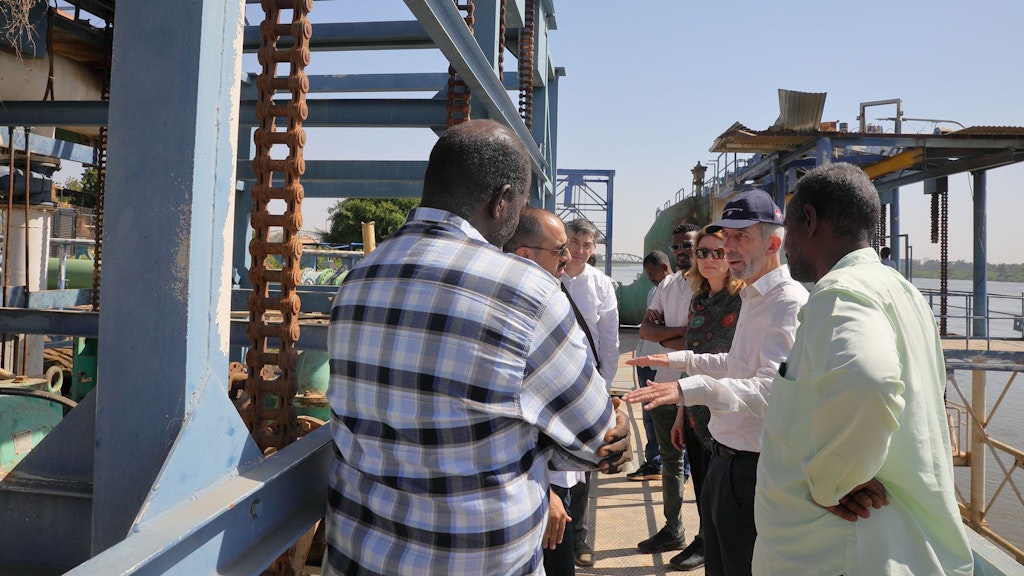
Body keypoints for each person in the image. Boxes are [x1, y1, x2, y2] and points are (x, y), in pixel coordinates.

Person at [324, 120, 630, 576]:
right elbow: (598, 442)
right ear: (501, 200)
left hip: (359, 557)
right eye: (520, 203)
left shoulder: (357, 280)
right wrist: (605, 425)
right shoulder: (528, 293)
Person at [754, 163, 972, 575]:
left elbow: (868, 381)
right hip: (891, 549)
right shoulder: (902, 291)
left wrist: (832, 480)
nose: (786, 245)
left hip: (843, 551)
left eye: (790, 230)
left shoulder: (841, 294)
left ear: (810, 219)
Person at [625, 188, 808, 576]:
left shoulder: (788, 303)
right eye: (727, 238)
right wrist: (681, 360)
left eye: (742, 237)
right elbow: (737, 363)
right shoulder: (756, 297)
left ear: (774, 242)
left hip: (753, 468)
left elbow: (771, 391)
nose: (728, 248)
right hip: (725, 460)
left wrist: (687, 388)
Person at [504, 206, 584, 576]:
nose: (568, 257)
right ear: (525, 255)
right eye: (560, 250)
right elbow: (588, 423)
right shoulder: (539, 310)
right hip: (533, 486)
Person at [668, 226, 745, 572]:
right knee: (701, 491)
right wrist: (680, 412)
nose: (710, 259)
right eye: (703, 252)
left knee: (725, 506)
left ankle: (712, 548)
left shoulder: (744, 300)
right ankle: (705, 544)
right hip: (697, 415)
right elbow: (691, 356)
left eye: (718, 252)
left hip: (729, 418)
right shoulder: (698, 300)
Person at [631, 223, 699, 557]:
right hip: (662, 384)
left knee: (703, 465)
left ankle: (707, 537)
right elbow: (646, 328)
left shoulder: (715, 283)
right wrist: (683, 335)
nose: (682, 250)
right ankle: (674, 530)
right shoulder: (668, 285)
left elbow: (704, 342)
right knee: (671, 463)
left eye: (688, 244)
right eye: (677, 247)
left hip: (701, 389)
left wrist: (665, 335)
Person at [561, 218, 620, 567]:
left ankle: (578, 535)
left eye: (587, 244)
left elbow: (610, 340)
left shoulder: (601, 285)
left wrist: (605, 385)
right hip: (552, 382)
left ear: (594, 247)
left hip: (589, 384)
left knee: (583, 462)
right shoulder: (550, 277)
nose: (580, 250)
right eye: (574, 242)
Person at [626, 250, 673, 482]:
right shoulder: (655, 291)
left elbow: (659, 326)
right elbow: (649, 326)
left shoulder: (677, 290)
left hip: (662, 362)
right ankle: (654, 463)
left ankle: (673, 467)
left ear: (665, 267)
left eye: (653, 273)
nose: (651, 278)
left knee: (667, 417)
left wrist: (655, 328)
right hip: (646, 357)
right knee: (649, 417)